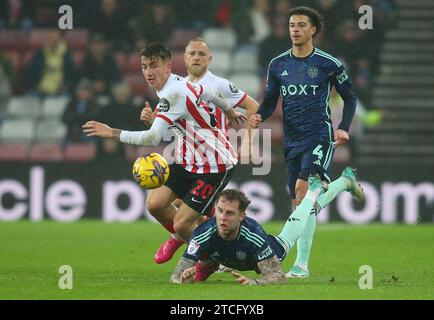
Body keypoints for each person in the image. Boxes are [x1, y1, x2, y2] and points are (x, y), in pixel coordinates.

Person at [82, 43, 246, 250]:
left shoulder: (173, 94)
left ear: (168, 66)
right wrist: (229, 111)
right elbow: (211, 94)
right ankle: (199, 241)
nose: (149, 72)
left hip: (215, 164)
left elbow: (152, 138)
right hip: (190, 162)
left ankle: (209, 256)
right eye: (144, 66)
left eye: (154, 65)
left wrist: (112, 133)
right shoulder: (177, 84)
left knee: (181, 223)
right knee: (155, 204)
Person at [249, 7, 363, 278]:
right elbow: (269, 102)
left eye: (301, 25)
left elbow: (350, 97)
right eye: (291, 25)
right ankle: (344, 183)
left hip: (319, 135)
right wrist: (258, 116)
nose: (295, 29)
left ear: (313, 30)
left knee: (303, 191)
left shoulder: (328, 63)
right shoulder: (278, 64)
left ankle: (295, 263)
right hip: (292, 140)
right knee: (301, 203)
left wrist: (343, 127)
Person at [140, 37, 260, 264]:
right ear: (183, 59)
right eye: (191, 53)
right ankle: (181, 238)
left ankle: (188, 243)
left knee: (190, 215)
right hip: (186, 159)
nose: (196, 57)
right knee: (166, 205)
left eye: (201, 54)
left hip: (213, 161)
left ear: (210, 59)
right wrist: (151, 120)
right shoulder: (175, 87)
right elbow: (163, 128)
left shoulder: (220, 85)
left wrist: (248, 141)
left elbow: (253, 107)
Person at [170, 170, 362, 285]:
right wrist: (184, 279)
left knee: (300, 217)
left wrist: (254, 283)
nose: (222, 218)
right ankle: (344, 181)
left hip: (274, 249)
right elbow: (176, 277)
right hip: (228, 256)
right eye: (220, 211)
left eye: (229, 213)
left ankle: (314, 191)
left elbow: (278, 277)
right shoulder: (203, 233)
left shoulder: (254, 237)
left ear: (241, 216)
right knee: (310, 209)